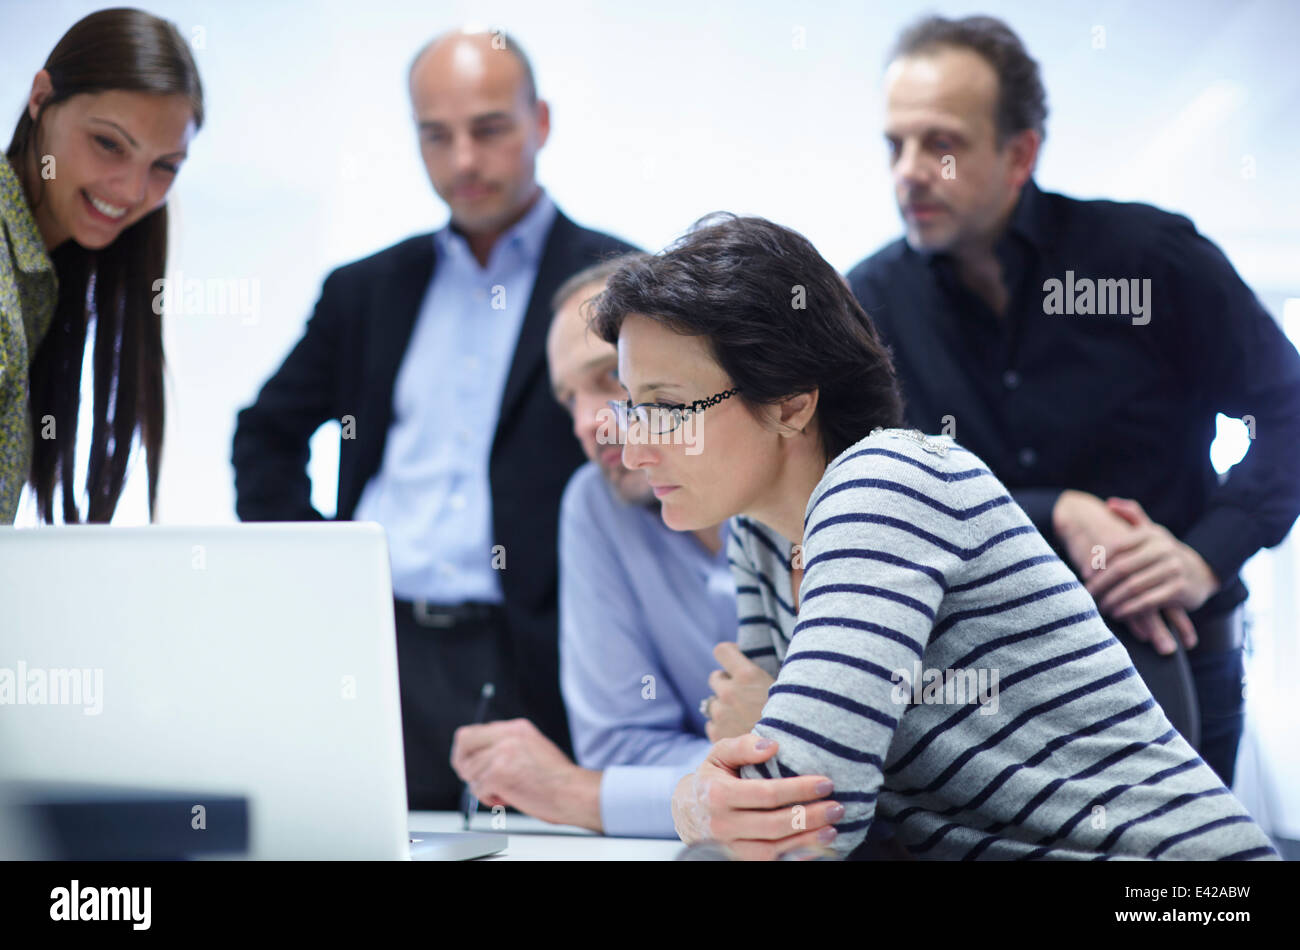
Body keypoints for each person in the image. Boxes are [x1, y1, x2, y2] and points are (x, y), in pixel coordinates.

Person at [593, 212, 1279, 861]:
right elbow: (780, 802)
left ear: (791, 404)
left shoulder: (885, 480)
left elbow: (801, 809)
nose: (633, 446)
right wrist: (713, 787)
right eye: (631, 408)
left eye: (666, 408)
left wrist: (741, 760)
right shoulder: (760, 536)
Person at [846, 14, 1300, 790]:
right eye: (896, 145)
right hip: (971, 700)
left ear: (1020, 153)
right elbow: (875, 500)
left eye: (941, 144)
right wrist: (1053, 508)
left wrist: (1203, 554)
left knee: (1176, 906)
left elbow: (1289, 412)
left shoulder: (1149, 260)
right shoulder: (869, 303)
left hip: (1176, 670)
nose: (910, 172)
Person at [231, 29, 635, 809]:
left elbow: (662, 455)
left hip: (538, 650)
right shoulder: (366, 290)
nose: (463, 162)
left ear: (540, 121)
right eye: (435, 136)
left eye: (489, 129)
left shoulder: (617, 282)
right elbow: (265, 434)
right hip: (375, 646)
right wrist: (320, 568)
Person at [450, 256, 775, 837]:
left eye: (608, 379)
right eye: (567, 396)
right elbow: (622, 749)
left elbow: (834, 768)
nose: (583, 421)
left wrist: (578, 794)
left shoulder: (818, 494)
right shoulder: (595, 505)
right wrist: (741, 770)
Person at [2, 8, 202, 525]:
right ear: (41, 97)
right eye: (109, 143)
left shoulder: (44, 277)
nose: (132, 191)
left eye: (163, 167)